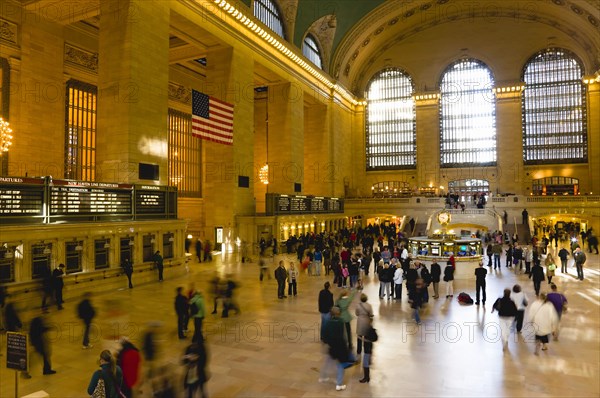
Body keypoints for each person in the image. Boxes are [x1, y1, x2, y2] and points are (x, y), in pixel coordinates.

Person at [319, 306, 355, 391]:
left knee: (328, 362)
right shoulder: (340, 322)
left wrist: (327, 343)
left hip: (331, 347)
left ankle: (323, 377)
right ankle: (339, 384)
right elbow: (343, 335)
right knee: (341, 365)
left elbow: (324, 335)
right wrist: (347, 345)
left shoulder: (328, 322)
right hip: (339, 346)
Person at [358, 318, 377, 384]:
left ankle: (366, 377)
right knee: (366, 363)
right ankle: (367, 377)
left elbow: (374, 338)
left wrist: (365, 340)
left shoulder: (370, 330)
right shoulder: (369, 329)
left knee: (365, 364)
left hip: (367, 349)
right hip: (368, 348)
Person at [355, 293, 374, 358]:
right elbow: (371, 314)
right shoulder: (369, 306)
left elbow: (356, 313)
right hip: (366, 321)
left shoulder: (358, 305)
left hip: (360, 321)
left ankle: (359, 352)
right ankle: (366, 350)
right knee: (366, 338)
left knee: (359, 338)